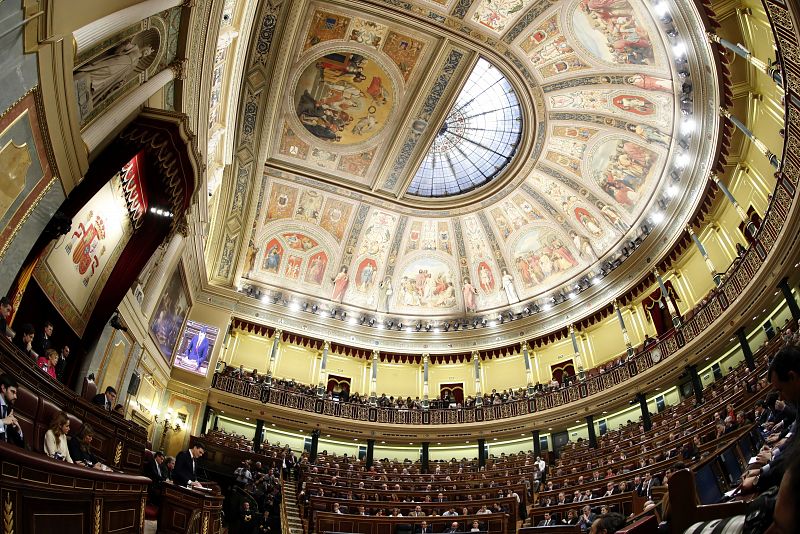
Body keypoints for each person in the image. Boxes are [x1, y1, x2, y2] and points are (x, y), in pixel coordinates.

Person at [0, 373, 25, 447]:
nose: (16, 396)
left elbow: (21, 446)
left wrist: (18, 431)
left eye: (16, 393)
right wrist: (3, 421)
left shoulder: (9, 410)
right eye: (13, 392)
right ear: (3, 388)